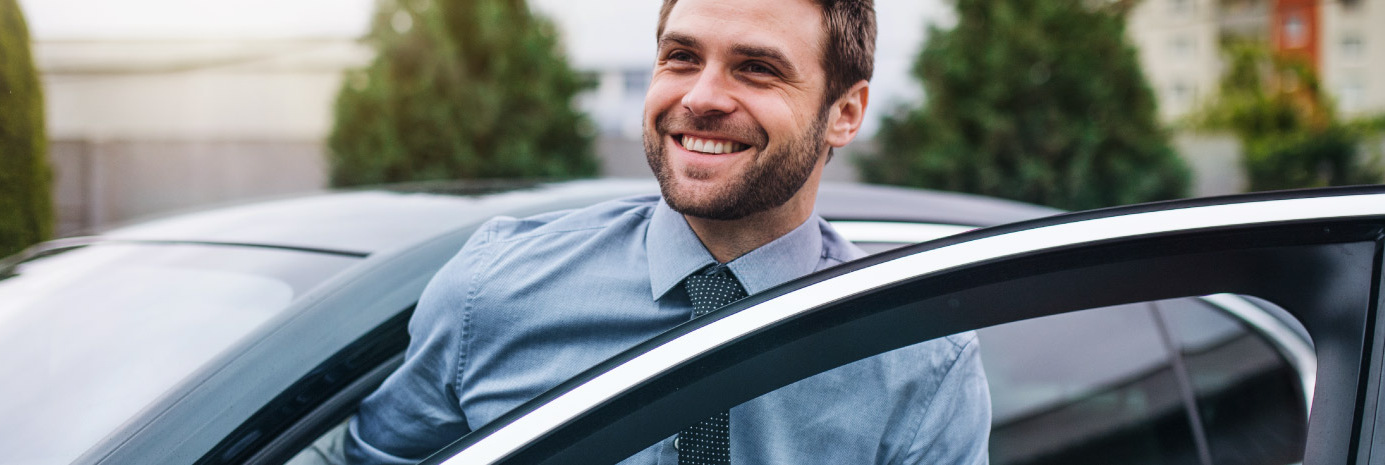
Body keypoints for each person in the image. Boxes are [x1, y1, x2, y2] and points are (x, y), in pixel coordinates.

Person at [344, 0, 990, 463]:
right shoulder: (493, 289)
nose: (703, 96)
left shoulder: (917, 363)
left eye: (756, 68)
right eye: (681, 57)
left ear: (845, 113)